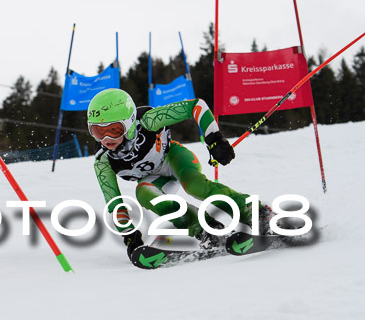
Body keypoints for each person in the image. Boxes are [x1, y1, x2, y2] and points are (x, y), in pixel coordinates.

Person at [87, 88, 275, 261]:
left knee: (196, 187)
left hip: (174, 159)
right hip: (154, 178)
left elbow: (196, 106)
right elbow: (115, 204)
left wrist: (214, 139)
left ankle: (257, 214)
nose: (106, 139)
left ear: (128, 123)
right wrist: (129, 236)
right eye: (97, 132)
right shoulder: (103, 161)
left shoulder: (149, 120)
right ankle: (207, 231)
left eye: (114, 130)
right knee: (143, 193)